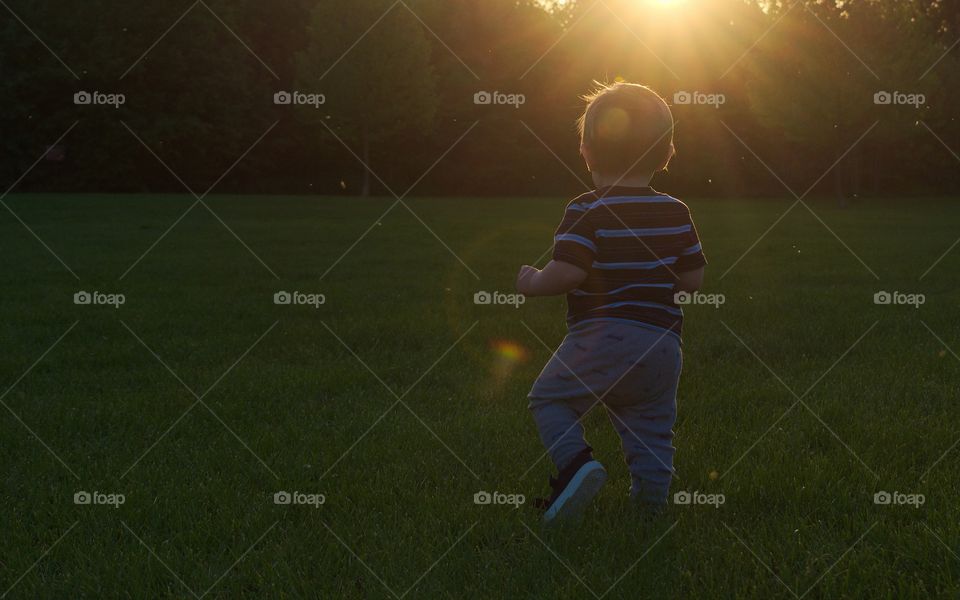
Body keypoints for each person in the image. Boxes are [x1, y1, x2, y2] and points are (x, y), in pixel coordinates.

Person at [516, 82, 707, 523]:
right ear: (667, 152)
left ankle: (577, 465)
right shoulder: (676, 211)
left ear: (586, 149)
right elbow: (693, 279)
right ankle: (651, 511)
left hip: (601, 337)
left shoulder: (587, 209)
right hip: (662, 345)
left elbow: (569, 273)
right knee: (651, 431)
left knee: (548, 400)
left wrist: (532, 282)